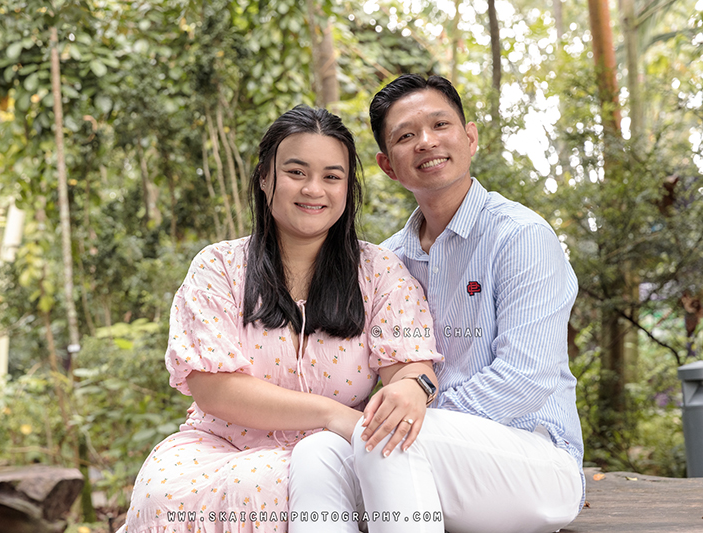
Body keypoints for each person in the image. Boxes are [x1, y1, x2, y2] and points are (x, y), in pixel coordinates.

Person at [121, 105, 442, 533]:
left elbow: (411, 367)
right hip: (219, 444)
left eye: (332, 176)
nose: (314, 189)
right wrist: (331, 413)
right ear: (265, 178)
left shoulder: (380, 272)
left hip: (332, 452)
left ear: (348, 188)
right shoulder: (218, 267)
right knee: (162, 493)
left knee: (279, 486)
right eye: (296, 172)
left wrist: (412, 390)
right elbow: (213, 388)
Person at [288, 75, 584, 533]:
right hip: (430, 460)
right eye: (406, 135)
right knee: (316, 453)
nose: (426, 142)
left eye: (440, 125)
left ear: (469, 138)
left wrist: (417, 404)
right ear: (388, 166)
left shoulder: (520, 237)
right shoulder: (385, 262)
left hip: (535, 463)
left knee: (389, 435)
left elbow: (526, 379)